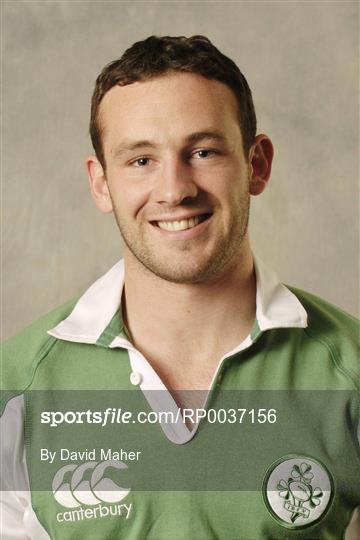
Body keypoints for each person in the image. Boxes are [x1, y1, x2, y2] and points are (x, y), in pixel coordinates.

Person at [1, 35, 359, 540]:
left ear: (256, 165)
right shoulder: (16, 389)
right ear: (101, 182)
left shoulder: (350, 368)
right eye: (141, 160)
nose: (174, 189)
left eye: (204, 151)